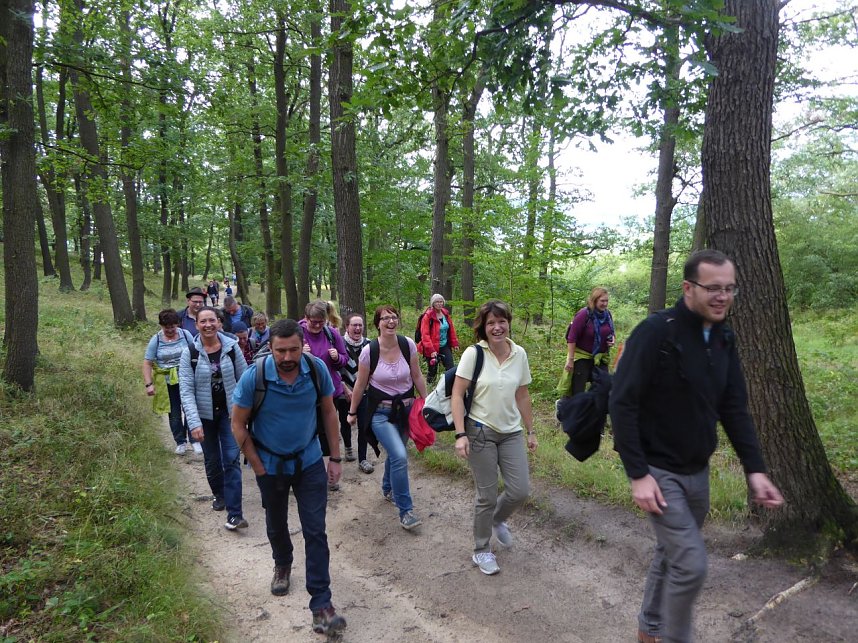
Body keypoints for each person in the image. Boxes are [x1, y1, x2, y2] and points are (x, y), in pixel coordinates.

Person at [609, 250, 784, 643]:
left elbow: (734, 406)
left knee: (671, 554)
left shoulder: (723, 337)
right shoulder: (656, 332)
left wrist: (754, 469)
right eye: (713, 288)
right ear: (688, 288)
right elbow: (622, 402)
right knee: (691, 564)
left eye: (729, 288)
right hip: (659, 471)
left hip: (697, 473)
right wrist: (638, 474)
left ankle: (648, 629)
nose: (723, 296)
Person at [231, 319, 346, 635]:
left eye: (293, 349)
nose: (287, 357)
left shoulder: (315, 369)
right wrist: (256, 465)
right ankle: (282, 562)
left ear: (301, 345)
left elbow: (328, 412)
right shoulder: (254, 378)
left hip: (308, 462)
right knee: (276, 522)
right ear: (270, 348)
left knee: (315, 530)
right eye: (280, 350)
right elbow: (238, 424)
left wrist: (334, 457)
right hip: (270, 464)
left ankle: (321, 604)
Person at [451, 299, 536, 575]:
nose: (497, 327)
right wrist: (460, 433)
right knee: (486, 496)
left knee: (519, 490)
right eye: (491, 323)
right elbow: (456, 394)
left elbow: (522, 395)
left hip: (511, 432)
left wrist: (531, 430)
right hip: (479, 432)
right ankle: (481, 550)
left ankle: (498, 520)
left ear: (508, 322)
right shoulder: (474, 354)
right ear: (483, 327)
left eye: (501, 321)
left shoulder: (519, 354)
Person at [347, 305, 428, 530]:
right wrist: (352, 412)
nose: (391, 322)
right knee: (400, 456)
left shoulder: (407, 344)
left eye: (394, 317)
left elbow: (417, 375)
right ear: (378, 323)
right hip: (380, 414)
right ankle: (406, 511)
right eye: (385, 319)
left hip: (406, 411)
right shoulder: (369, 351)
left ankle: (387, 488)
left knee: (395, 454)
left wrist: (428, 402)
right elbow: (360, 384)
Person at [179, 306, 249, 529]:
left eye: (212, 320)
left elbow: (244, 378)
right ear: (197, 325)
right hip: (204, 416)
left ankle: (235, 513)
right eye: (203, 322)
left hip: (230, 415)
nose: (208, 325)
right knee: (212, 460)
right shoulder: (189, 353)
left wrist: (246, 413)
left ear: (219, 323)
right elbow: (186, 391)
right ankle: (219, 494)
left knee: (231, 459)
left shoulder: (231, 348)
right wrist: (194, 423)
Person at [299, 301, 352, 475]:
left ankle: (327, 470)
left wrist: (337, 357)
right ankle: (304, 470)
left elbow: (345, 360)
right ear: (306, 318)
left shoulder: (332, 334)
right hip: (303, 392)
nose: (316, 325)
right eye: (313, 322)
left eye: (320, 322)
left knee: (327, 431)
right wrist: (299, 353)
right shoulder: (297, 333)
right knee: (305, 431)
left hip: (329, 391)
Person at [142, 309, 201, 455]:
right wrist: (149, 384)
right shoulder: (156, 340)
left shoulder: (186, 335)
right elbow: (147, 363)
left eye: (172, 326)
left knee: (190, 409)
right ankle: (180, 442)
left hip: (187, 378)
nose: (169, 330)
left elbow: (196, 353)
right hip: (167, 382)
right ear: (161, 325)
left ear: (177, 324)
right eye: (166, 327)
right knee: (174, 412)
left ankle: (195, 440)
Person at [562, 287, 616, 398]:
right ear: (594, 300)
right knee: (578, 392)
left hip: (600, 358)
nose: (605, 304)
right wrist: (570, 360)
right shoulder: (583, 314)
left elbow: (610, 331)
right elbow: (572, 338)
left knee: (604, 388)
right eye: (602, 301)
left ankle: (596, 413)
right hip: (582, 357)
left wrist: (613, 339)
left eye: (606, 301)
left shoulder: (607, 315)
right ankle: (568, 410)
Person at [341, 313, 373, 473]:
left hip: (364, 391)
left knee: (364, 425)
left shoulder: (369, 344)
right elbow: (334, 368)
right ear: (347, 327)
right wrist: (345, 388)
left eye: (360, 325)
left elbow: (374, 367)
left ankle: (363, 459)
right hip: (344, 392)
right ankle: (347, 446)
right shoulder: (339, 343)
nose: (358, 328)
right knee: (345, 423)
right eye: (354, 325)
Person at [418, 293, 459, 383]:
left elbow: (451, 329)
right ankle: (430, 390)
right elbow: (425, 335)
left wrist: (454, 343)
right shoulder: (428, 316)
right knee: (432, 371)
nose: (439, 304)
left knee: (450, 368)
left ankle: (449, 388)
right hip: (432, 348)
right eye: (437, 302)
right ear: (433, 303)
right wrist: (431, 350)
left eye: (441, 302)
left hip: (444, 345)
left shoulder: (445, 314)